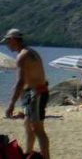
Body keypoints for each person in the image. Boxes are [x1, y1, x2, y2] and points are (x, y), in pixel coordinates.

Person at [3, 28, 50, 159]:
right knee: (28, 126)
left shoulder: (22, 56)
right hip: (33, 92)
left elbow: (20, 81)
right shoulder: (31, 52)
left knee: (38, 129)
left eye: (7, 41)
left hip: (37, 93)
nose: (6, 45)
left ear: (13, 40)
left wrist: (11, 104)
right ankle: (27, 154)